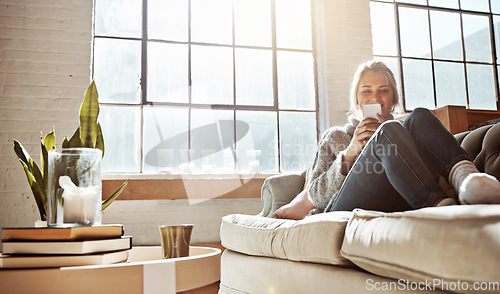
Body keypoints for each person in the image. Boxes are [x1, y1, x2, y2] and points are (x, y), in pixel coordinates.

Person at [274, 60, 500, 219]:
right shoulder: (336, 136)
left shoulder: (408, 130)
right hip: (345, 205)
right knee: (389, 131)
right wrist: (350, 153)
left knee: (420, 114)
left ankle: (469, 181)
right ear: (356, 100)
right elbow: (317, 196)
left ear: (393, 99)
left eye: (383, 91)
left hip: (402, 196)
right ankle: (439, 206)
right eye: (366, 91)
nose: (375, 98)